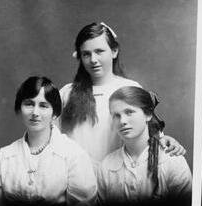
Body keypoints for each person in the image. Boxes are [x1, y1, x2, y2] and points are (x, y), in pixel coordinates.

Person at [58, 22, 185, 171]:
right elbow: (52, 137)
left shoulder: (129, 88)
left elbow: (147, 132)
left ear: (114, 51)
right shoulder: (67, 93)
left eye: (99, 51)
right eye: (86, 54)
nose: (93, 60)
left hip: (117, 176)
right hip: (76, 179)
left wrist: (164, 140)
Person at [0, 76, 97, 206]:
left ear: (54, 113)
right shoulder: (6, 155)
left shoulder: (73, 155)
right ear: (20, 109)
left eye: (43, 106)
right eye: (29, 104)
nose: (35, 113)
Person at [98, 86, 192, 203]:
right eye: (116, 115)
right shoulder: (106, 166)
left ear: (148, 115)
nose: (122, 121)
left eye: (129, 112)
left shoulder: (171, 160)